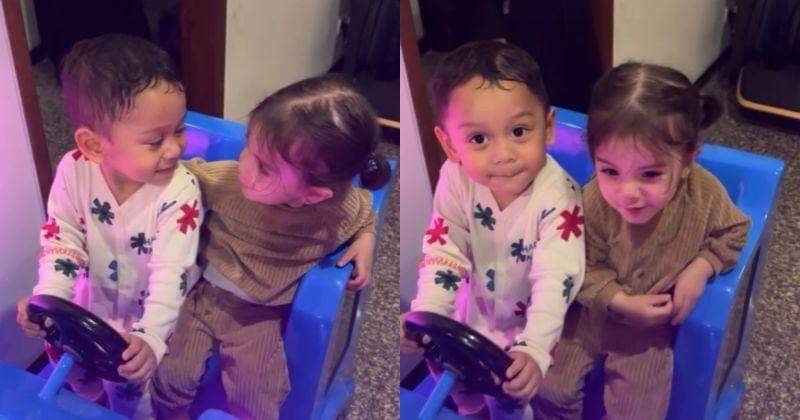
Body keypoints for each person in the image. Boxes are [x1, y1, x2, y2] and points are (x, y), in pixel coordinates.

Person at [150, 74, 391, 420]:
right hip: (201, 296)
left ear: (313, 195)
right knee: (172, 375)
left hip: (260, 315)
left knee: (259, 394)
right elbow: (183, 176)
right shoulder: (228, 181)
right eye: (249, 147)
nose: (245, 165)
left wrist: (366, 240)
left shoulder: (337, 210)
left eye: (264, 167)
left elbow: (365, 213)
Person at [533, 62, 751, 419]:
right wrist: (617, 300)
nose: (628, 193)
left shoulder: (705, 194)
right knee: (549, 387)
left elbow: (735, 229)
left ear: (687, 160)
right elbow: (573, 262)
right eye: (610, 171)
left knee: (640, 410)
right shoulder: (593, 201)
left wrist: (702, 267)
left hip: (648, 333)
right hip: (586, 317)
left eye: (649, 174)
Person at [16, 34, 201, 419]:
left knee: (132, 400)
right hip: (86, 309)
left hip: (145, 323)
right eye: (155, 141)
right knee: (77, 382)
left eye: (179, 131)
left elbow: (173, 273)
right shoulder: (74, 170)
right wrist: (50, 294)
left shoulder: (180, 191)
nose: (175, 149)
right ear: (95, 146)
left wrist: (151, 336)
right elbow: (62, 238)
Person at [401, 40, 586, 419]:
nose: (503, 154)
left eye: (519, 131)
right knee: (460, 390)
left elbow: (557, 277)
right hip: (469, 317)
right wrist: (429, 310)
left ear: (548, 127)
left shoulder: (560, 196)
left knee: (512, 403)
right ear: (449, 145)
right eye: (479, 139)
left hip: (530, 330)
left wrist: (534, 347)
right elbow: (444, 249)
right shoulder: (454, 177)